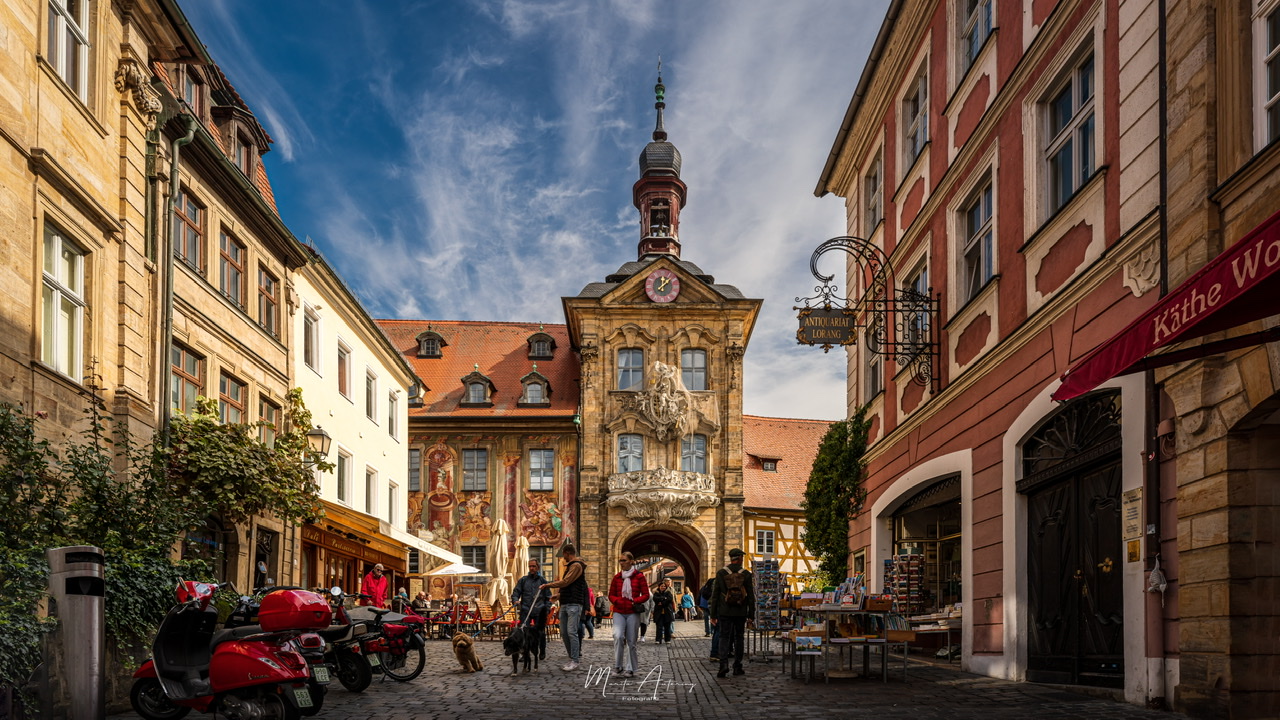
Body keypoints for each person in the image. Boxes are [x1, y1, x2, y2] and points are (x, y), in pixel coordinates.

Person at [540, 544, 588, 671]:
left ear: (567, 553)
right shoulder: (572, 566)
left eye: (563, 555)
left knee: (572, 632)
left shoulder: (577, 566)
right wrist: (559, 595)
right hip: (566, 603)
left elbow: (566, 582)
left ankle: (575, 660)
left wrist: (548, 585)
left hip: (574, 604)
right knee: (564, 632)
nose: (563, 557)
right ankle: (571, 657)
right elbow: (570, 586)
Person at [710, 548, 755, 678]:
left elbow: (715, 595)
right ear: (740, 558)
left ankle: (723, 665)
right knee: (739, 637)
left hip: (725, 611)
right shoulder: (746, 574)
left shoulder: (721, 573)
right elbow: (751, 596)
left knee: (724, 637)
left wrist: (713, 615)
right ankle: (737, 666)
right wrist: (751, 615)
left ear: (731, 558)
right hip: (740, 611)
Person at [607, 551, 650, 678]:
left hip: (632, 612)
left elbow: (646, 595)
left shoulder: (639, 576)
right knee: (618, 636)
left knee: (631, 641)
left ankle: (630, 668)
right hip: (619, 611)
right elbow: (611, 594)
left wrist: (634, 601)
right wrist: (617, 600)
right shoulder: (617, 577)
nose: (621, 563)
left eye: (624, 560)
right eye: (620, 560)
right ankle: (618, 666)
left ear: (631, 561)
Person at [511, 558, 552, 661]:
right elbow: (516, 593)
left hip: (539, 610)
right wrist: (515, 600)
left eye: (533, 566)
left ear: (538, 567)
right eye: (530, 566)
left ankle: (542, 651)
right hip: (526, 610)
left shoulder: (543, 581)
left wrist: (546, 609)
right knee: (524, 632)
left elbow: (549, 597)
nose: (531, 568)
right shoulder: (523, 580)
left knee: (541, 633)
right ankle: (525, 654)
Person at [651, 579, 676, 644]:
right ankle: (658, 640)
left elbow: (670, 599)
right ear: (659, 587)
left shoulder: (668, 592)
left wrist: (661, 602)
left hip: (667, 612)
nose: (663, 587)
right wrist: (664, 598)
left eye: (664, 586)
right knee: (659, 626)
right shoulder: (656, 593)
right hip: (659, 612)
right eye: (662, 586)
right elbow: (655, 599)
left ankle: (667, 639)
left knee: (667, 626)